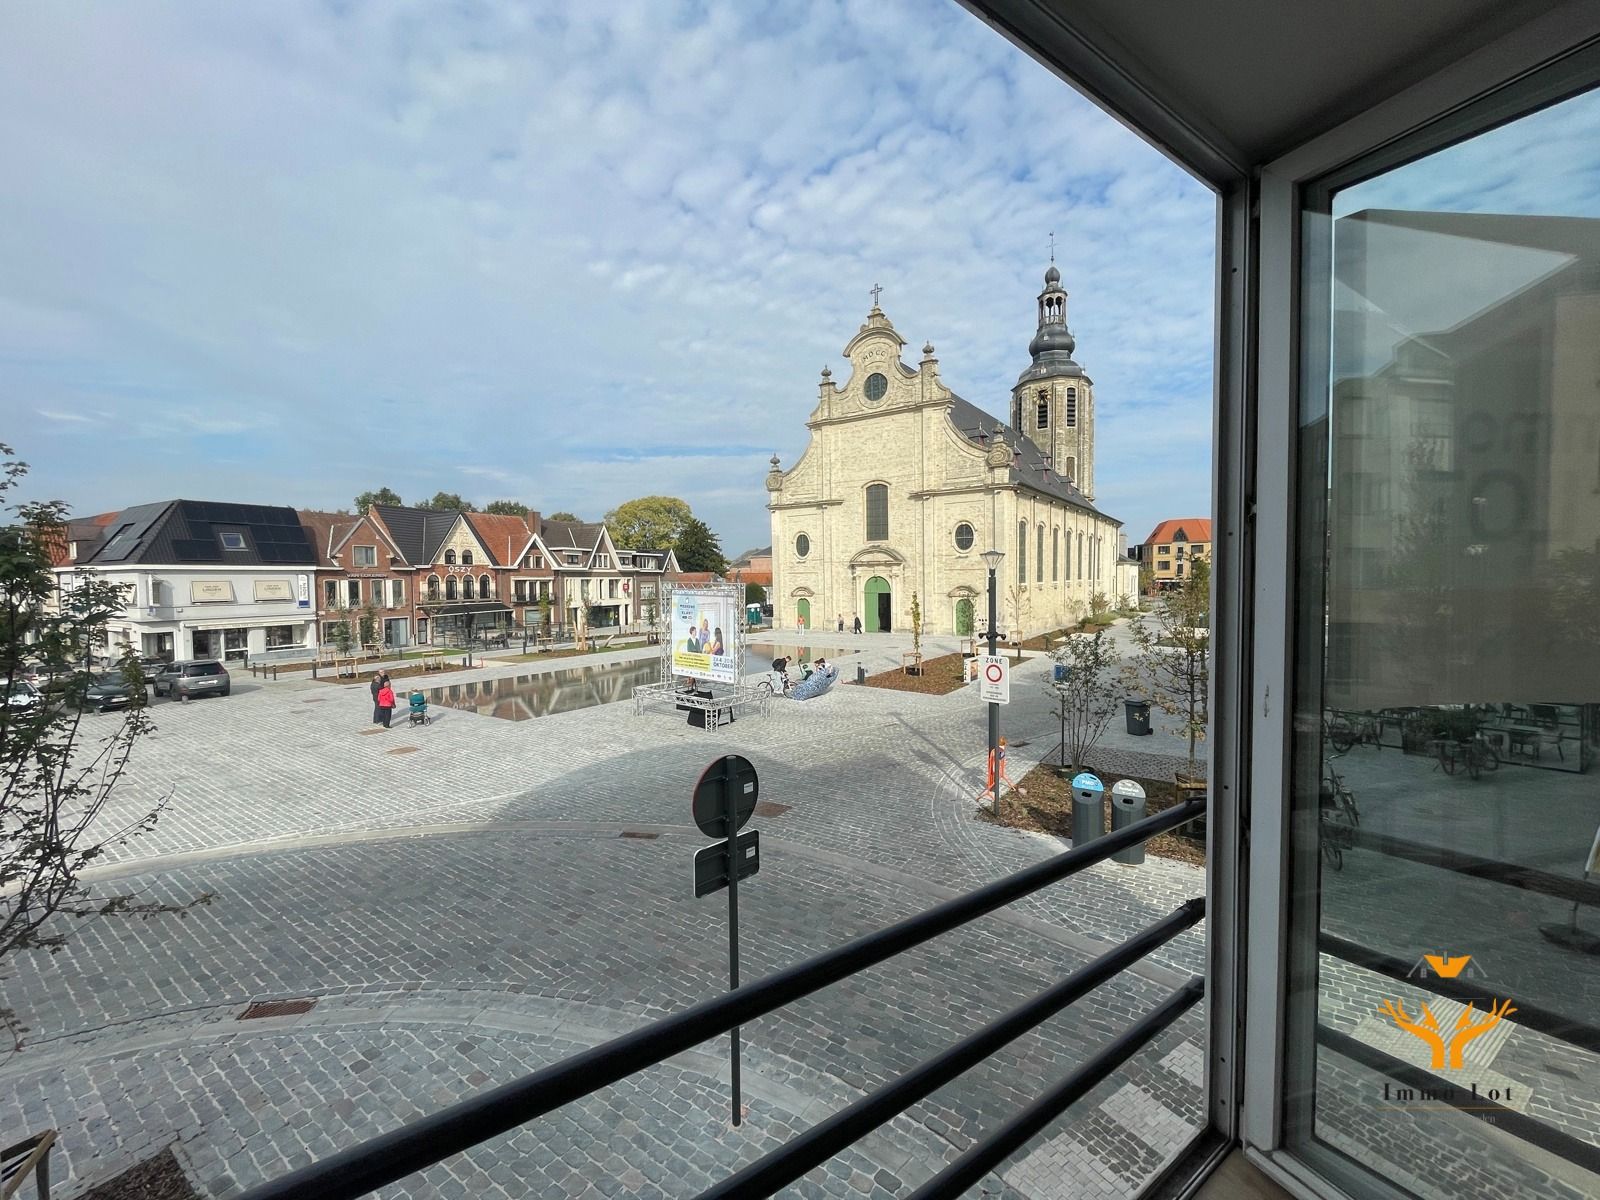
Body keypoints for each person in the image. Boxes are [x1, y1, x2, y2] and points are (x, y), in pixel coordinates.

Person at [979, 735, 1027, 805]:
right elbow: (998, 759)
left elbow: (1000, 759)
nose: (1004, 747)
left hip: (997, 768)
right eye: (1003, 745)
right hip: (995, 769)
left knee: (1000, 776)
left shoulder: (999, 750)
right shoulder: (998, 751)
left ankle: (992, 788)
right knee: (995, 779)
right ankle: (991, 791)